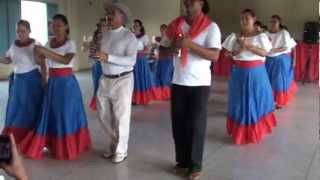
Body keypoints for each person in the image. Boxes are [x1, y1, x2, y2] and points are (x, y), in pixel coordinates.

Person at [159, 0, 221, 179]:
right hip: (178, 81)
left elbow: (215, 55)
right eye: (185, 2)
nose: (187, 5)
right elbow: (161, 52)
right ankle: (183, 161)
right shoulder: (175, 24)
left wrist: (190, 45)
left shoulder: (211, 27)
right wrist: (174, 47)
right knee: (178, 124)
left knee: (195, 125)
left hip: (199, 83)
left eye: (191, 2)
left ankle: (195, 165)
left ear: (201, 3)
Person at [19, 14, 92, 160]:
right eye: (53, 25)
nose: (55, 27)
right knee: (53, 114)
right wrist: (37, 56)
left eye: (59, 25)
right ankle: (54, 144)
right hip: (52, 82)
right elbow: (41, 62)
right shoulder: (48, 43)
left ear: (66, 27)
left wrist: (44, 51)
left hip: (67, 84)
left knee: (66, 114)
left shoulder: (70, 43)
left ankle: (69, 146)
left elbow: (65, 60)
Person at [222, 9, 277, 145]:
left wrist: (248, 46)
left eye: (247, 18)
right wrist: (237, 51)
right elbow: (226, 54)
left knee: (255, 101)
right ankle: (241, 132)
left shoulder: (261, 36)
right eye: (241, 19)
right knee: (239, 102)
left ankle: (254, 132)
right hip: (238, 73)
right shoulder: (234, 36)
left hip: (256, 73)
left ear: (254, 19)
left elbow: (265, 53)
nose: (244, 21)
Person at [92, 2, 138, 164]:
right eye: (109, 13)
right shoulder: (105, 34)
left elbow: (131, 61)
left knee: (121, 117)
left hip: (123, 79)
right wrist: (95, 54)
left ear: (122, 17)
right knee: (103, 115)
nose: (109, 16)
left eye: (113, 13)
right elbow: (99, 55)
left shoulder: (129, 36)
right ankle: (114, 142)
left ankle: (120, 150)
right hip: (105, 78)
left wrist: (108, 57)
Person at [0, 20, 45, 146]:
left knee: (31, 110)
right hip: (18, 82)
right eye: (18, 31)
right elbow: (8, 60)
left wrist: (45, 80)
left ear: (29, 31)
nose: (20, 34)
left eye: (23, 31)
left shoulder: (35, 44)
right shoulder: (14, 44)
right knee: (16, 110)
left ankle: (30, 139)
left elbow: (42, 64)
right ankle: (15, 138)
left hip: (32, 81)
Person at [265, 15, 298, 108]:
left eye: (274, 22)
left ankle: (279, 101)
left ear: (279, 22)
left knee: (278, 81)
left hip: (280, 60)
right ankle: (270, 99)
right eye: (271, 22)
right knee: (269, 80)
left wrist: (274, 50)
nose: (272, 24)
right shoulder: (266, 33)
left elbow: (287, 47)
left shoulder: (284, 33)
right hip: (269, 60)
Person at [132, 19, 158, 105]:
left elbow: (147, 51)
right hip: (132, 61)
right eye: (134, 25)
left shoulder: (144, 37)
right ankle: (135, 99)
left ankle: (144, 98)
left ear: (140, 27)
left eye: (137, 25)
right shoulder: (131, 36)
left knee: (141, 78)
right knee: (134, 79)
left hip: (141, 60)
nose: (135, 26)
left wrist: (136, 52)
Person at [86, 18, 109, 111]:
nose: (103, 27)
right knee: (98, 84)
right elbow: (90, 52)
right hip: (98, 64)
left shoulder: (110, 37)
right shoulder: (94, 38)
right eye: (101, 25)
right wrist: (91, 47)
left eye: (105, 25)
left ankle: (107, 104)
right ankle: (98, 104)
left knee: (107, 85)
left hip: (108, 64)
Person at [154, 24, 174, 100]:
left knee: (165, 77)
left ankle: (167, 95)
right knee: (157, 75)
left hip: (167, 60)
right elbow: (156, 49)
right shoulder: (159, 39)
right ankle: (160, 94)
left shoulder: (170, 39)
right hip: (160, 59)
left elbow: (172, 50)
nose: (162, 31)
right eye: (161, 30)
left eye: (164, 30)